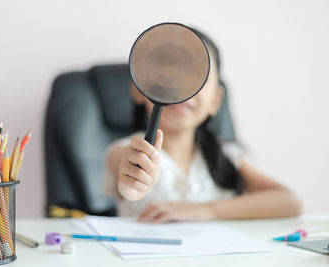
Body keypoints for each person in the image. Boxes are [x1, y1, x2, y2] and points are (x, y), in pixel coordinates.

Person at [103, 27, 302, 223]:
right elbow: (128, 175)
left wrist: (207, 211)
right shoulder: (126, 150)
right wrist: (136, 181)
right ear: (139, 90)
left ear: (216, 100)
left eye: (198, 78)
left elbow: (290, 202)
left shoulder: (228, 156)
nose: (182, 91)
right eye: (168, 77)